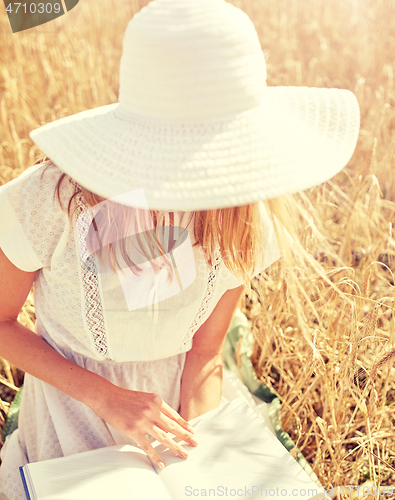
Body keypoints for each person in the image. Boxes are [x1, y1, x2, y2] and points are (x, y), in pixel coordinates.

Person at [0, 0, 360, 498]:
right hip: (73, 406)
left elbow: (206, 351)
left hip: (185, 403)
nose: (198, 179)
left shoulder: (241, 211)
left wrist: (199, 459)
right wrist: (106, 398)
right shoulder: (50, 200)